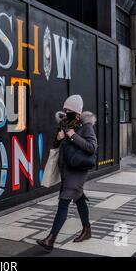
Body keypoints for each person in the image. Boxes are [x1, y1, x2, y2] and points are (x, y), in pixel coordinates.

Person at [36, 94, 98, 253]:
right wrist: (58, 138)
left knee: (63, 203)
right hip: (66, 169)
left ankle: (50, 239)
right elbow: (57, 145)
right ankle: (87, 230)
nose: (65, 112)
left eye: (69, 110)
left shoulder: (86, 126)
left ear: (77, 112)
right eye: (65, 109)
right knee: (79, 199)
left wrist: (72, 135)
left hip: (77, 170)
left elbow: (91, 147)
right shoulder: (65, 124)